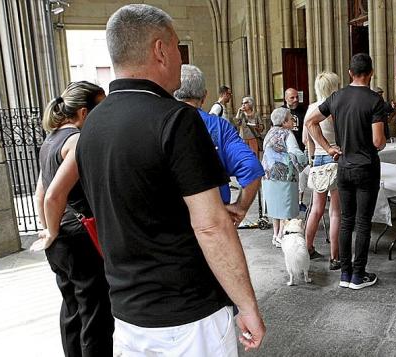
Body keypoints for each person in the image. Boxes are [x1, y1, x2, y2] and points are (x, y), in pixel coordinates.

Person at [75, 4, 265, 355]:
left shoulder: (91, 126)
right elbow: (211, 227)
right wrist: (248, 305)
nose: (180, 57)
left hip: (130, 314)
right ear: (160, 50)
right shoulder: (177, 121)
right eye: (178, 46)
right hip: (189, 316)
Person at [32, 81, 113, 356]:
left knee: (71, 308)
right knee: (95, 313)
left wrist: (48, 232)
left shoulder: (50, 141)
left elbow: (40, 193)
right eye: (99, 109)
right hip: (79, 237)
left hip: (61, 241)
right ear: (82, 113)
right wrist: (53, 231)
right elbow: (53, 194)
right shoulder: (76, 140)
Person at [305, 53, 387, 290]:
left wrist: (328, 147)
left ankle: (345, 273)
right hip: (366, 167)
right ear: (370, 73)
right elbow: (378, 141)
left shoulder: (336, 97)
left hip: (343, 166)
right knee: (362, 222)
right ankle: (358, 275)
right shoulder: (375, 101)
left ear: (350, 73)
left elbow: (311, 122)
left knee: (345, 220)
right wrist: (375, 144)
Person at [174, 65, 263, 225]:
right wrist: (239, 208)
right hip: (213, 219)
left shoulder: (158, 124)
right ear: (204, 95)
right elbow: (251, 168)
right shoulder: (219, 126)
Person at [304, 71, 342, 270]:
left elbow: (307, 139)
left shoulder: (311, 108)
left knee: (316, 209)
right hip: (335, 156)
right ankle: (335, 257)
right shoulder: (336, 108)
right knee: (336, 211)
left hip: (318, 159)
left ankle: (307, 247)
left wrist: (312, 159)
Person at [261, 107, 308, 247]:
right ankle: (282, 235)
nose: (293, 120)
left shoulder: (270, 132)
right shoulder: (287, 134)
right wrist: (306, 162)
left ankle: (276, 235)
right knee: (285, 207)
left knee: (275, 207)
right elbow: (295, 152)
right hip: (284, 176)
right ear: (284, 121)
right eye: (290, 118)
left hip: (269, 174)